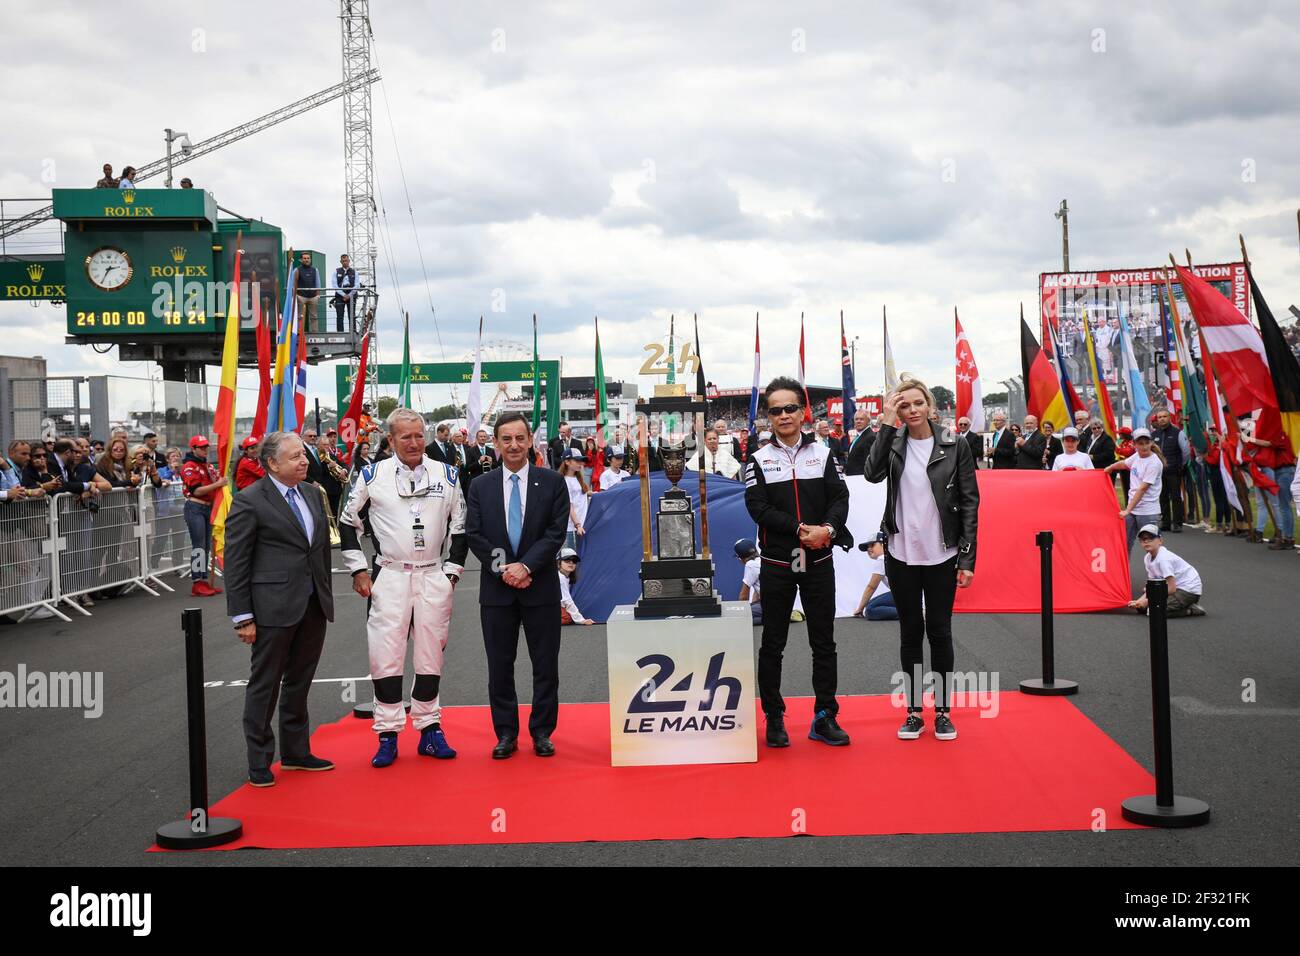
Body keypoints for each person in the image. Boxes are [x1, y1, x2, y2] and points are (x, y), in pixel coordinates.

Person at [339, 408, 467, 767]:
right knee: (386, 655)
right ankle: (388, 733)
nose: (413, 442)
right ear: (391, 440)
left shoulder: (448, 473)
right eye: (405, 437)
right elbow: (347, 522)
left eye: (418, 435)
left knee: (431, 655)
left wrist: (452, 573)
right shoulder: (370, 474)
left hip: (432, 575)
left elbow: (461, 526)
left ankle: (429, 728)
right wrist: (358, 570)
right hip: (390, 576)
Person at [866, 377, 978, 742]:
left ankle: (943, 712)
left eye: (917, 403)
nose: (912, 411)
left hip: (942, 552)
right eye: (904, 405)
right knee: (910, 633)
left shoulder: (954, 443)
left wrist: (967, 559)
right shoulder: (893, 442)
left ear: (930, 405)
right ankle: (914, 712)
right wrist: (885, 422)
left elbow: (970, 502)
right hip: (901, 552)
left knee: (940, 632)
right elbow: (871, 473)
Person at [744, 376, 854, 749]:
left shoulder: (823, 454)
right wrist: (799, 529)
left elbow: (840, 498)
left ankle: (825, 717)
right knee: (773, 643)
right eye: (776, 410)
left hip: (819, 559)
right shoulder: (758, 459)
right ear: (768, 417)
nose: (784, 415)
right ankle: (774, 718)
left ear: (803, 411)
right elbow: (758, 508)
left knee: (823, 641)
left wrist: (828, 529)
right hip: (777, 563)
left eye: (790, 408)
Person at [225, 431, 336, 788]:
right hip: (271, 608)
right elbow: (237, 561)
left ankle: (296, 752)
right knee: (266, 683)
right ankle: (259, 760)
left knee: (300, 681)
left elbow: (318, 549)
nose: (304, 461)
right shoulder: (250, 500)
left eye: (303, 454)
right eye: (295, 457)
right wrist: (242, 616)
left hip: (312, 604)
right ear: (272, 463)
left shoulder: (311, 493)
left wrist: (324, 593)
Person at [464, 411, 570, 759]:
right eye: (506, 439)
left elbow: (555, 533)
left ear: (530, 441)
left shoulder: (552, 483)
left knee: (545, 665)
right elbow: (475, 534)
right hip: (497, 592)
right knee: (499, 666)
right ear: (496, 443)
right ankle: (506, 734)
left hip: (539, 588)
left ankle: (542, 731)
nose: (513, 445)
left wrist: (525, 567)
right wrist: (504, 571)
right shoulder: (480, 486)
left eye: (519, 438)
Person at [180, 435, 227, 597]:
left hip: (208, 508)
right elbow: (196, 491)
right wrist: (218, 484)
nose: (205, 449)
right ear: (193, 449)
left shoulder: (207, 465)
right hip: (195, 507)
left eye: (206, 446)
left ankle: (203, 580)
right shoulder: (189, 466)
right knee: (199, 546)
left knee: (206, 546)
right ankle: (197, 582)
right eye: (201, 447)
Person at [1105, 427, 1164, 553]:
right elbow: (1124, 464)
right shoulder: (1136, 456)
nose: (1144, 447)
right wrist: (1110, 468)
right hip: (1133, 509)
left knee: (1151, 546)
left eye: (1147, 443)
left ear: (1151, 443)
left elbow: (1142, 489)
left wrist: (1128, 510)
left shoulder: (1154, 463)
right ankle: (1123, 572)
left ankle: (1160, 571)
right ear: (1135, 444)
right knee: (1125, 543)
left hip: (1148, 511)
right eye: (1140, 443)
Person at [1127, 525, 1206, 617]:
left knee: (1154, 611)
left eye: (1151, 538)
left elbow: (1172, 588)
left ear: (1160, 540)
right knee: (1142, 608)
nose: (1146, 541)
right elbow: (1153, 586)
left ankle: (1191, 610)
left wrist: (1147, 601)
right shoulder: (1147, 558)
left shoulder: (1164, 559)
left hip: (1188, 590)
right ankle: (1179, 605)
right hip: (1173, 589)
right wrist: (1139, 601)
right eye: (1143, 539)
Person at [1150, 408, 1187, 533]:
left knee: (1176, 497)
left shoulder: (1178, 433)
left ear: (1169, 418)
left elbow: (1185, 452)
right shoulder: (1154, 435)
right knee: (1162, 497)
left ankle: (1177, 523)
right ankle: (1165, 522)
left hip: (1173, 471)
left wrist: (1179, 465)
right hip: (1159, 473)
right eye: (1159, 417)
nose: (1162, 419)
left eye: (1164, 416)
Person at [852, 535, 897, 620]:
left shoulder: (882, 559)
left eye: (872, 545)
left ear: (884, 544)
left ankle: (911, 613)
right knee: (870, 604)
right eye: (867, 547)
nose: (869, 549)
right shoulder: (892, 556)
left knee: (870, 610)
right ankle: (910, 610)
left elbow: (871, 587)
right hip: (910, 594)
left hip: (903, 594)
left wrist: (860, 609)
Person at [559, 449, 589, 551]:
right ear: (567, 462)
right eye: (577, 460)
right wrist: (577, 525)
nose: (580, 463)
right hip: (573, 528)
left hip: (582, 524)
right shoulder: (565, 481)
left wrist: (593, 493)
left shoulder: (578, 478)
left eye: (581, 460)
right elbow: (569, 506)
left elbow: (580, 494)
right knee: (572, 559)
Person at [556, 547, 592, 625]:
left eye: (574, 561)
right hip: (545, 607)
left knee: (568, 616)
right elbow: (567, 601)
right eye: (567, 560)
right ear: (559, 562)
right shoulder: (560, 577)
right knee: (567, 617)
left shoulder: (565, 577)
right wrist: (581, 620)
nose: (571, 563)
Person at [734, 538, 763, 625]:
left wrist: (741, 612)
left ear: (740, 558)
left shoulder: (750, 565)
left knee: (738, 618)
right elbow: (758, 589)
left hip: (772, 605)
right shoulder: (761, 559)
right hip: (781, 602)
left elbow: (743, 595)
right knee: (751, 608)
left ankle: (779, 618)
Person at [293, 251, 321, 332]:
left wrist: (318, 295)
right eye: (304, 258)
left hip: (313, 297)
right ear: (301, 260)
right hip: (300, 296)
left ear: (310, 260)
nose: (306, 260)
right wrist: (295, 296)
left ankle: (315, 333)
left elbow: (318, 283)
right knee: (300, 317)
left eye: (308, 258)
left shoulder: (315, 270)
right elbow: (293, 284)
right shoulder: (297, 270)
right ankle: (299, 333)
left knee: (314, 317)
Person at [844, 406, 874, 476]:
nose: (858, 421)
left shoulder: (870, 437)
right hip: (853, 477)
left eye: (861, 419)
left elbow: (870, 462)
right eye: (856, 419)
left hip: (861, 479)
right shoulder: (858, 436)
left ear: (868, 421)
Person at [332, 254, 357, 332]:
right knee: (339, 316)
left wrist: (349, 295)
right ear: (340, 262)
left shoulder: (354, 272)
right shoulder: (336, 271)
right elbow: (334, 285)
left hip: (351, 295)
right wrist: (343, 294)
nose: (345, 262)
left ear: (349, 261)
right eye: (343, 261)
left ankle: (352, 331)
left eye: (346, 261)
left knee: (352, 315)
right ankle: (340, 332)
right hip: (340, 296)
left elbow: (357, 285)